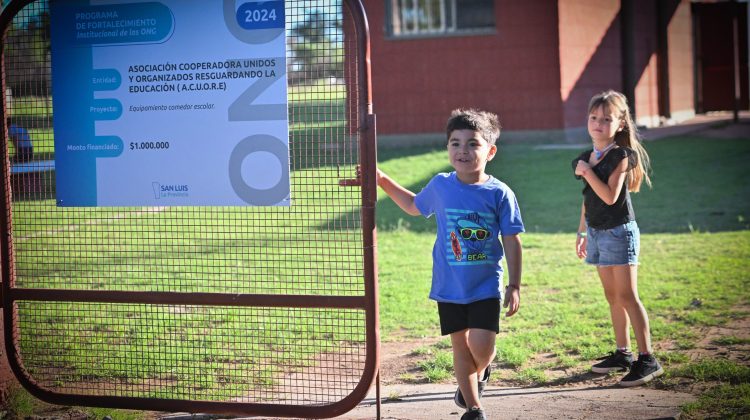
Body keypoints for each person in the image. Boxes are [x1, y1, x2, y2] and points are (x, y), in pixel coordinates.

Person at [377, 108, 524, 420]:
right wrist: (383, 180)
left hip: (485, 285)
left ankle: (479, 373)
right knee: (460, 346)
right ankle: (474, 409)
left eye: (473, 143)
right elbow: (414, 206)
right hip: (449, 285)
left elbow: (512, 240)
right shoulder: (441, 186)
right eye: (455, 143)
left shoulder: (500, 193)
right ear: (447, 149)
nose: (463, 150)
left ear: (491, 151)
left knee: (482, 347)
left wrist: (514, 285)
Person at [572, 90, 663, 387]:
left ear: (621, 124)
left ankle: (648, 359)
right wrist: (582, 231)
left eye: (606, 119)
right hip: (597, 232)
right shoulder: (587, 158)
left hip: (619, 232)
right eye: (593, 117)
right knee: (612, 297)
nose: (598, 123)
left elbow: (610, 197)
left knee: (627, 296)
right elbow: (589, 199)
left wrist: (587, 173)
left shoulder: (620, 156)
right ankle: (622, 353)